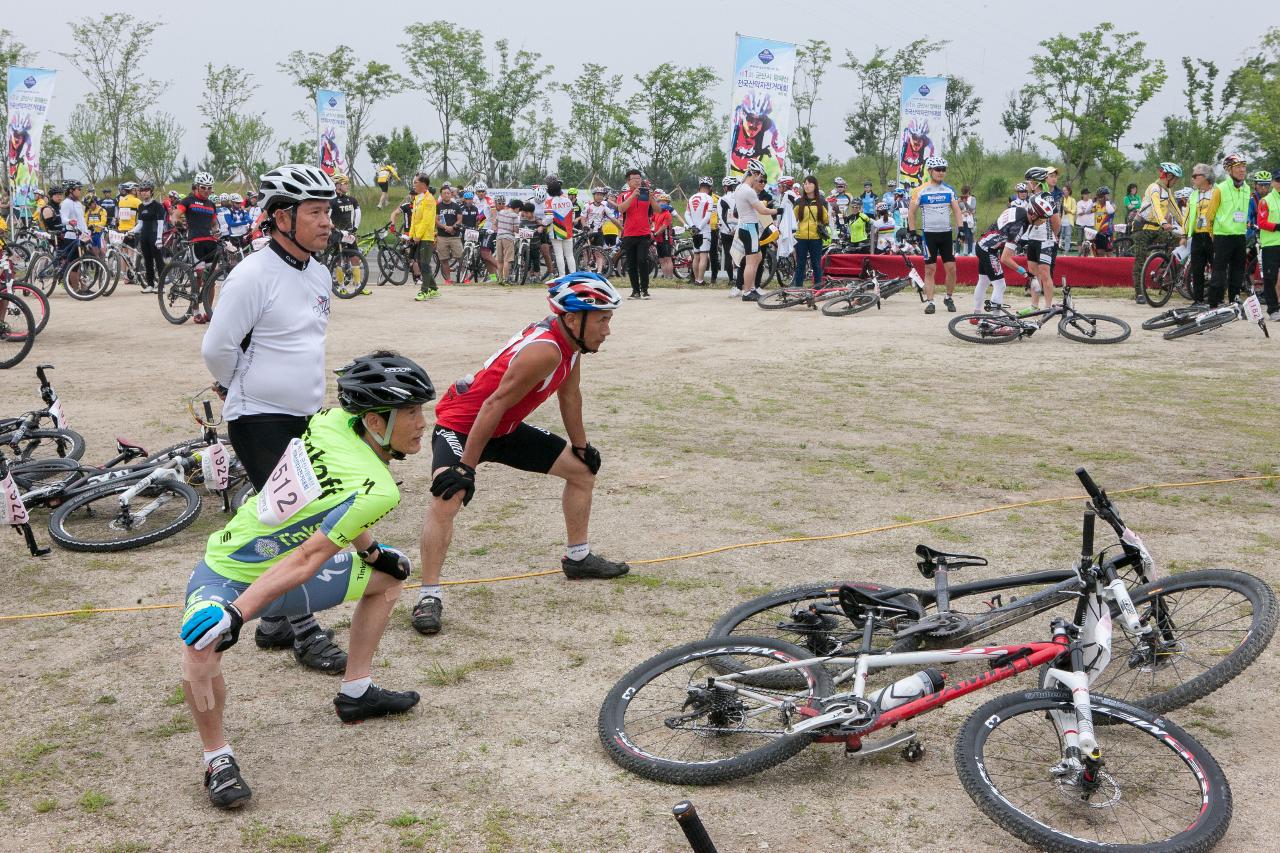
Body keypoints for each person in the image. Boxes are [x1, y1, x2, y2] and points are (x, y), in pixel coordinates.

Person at [178, 351, 435, 809]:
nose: (422, 423)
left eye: (422, 410)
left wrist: (374, 554)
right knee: (200, 644)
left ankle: (356, 692)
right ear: (375, 421)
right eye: (411, 412)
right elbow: (308, 556)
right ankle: (218, 759)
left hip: (287, 577)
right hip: (230, 572)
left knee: (389, 578)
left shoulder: (334, 422)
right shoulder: (374, 480)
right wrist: (235, 612)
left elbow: (339, 506)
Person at [411, 273, 630, 635]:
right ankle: (428, 596)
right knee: (449, 496)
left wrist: (580, 446)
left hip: (502, 426)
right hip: (463, 426)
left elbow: (569, 395)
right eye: (603, 319)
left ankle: (578, 559)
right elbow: (493, 402)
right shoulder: (546, 350)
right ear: (574, 319)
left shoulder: (570, 344)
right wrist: (466, 467)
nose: (607, 329)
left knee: (581, 472)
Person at [201, 162, 350, 675]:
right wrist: (233, 383)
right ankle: (307, 631)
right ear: (281, 217)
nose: (326, 221)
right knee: (299, 520)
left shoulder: (319, 272)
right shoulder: (251, 275)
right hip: (259, 417)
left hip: (306, 416)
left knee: (292, 512)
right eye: (315, 212)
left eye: (328, 211)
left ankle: (273, 622)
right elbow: (217, 346)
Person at [972, 195, 1055, 314]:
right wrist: (1026, 275)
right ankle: (995, 322)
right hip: (988, 249)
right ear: (1033, 215)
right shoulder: (1020, 227)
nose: (1043, 223)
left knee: (983, 281)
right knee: (1000, 285)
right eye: (1042, 219)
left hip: (983, 243)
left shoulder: (1019, 210)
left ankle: (976, 315)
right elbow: (1005, 258)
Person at [907, 156, 963, 314]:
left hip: (946, 234)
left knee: (951, 269)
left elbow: (957, 210)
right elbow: (911, 213)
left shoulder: (948, 189)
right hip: (929, 235)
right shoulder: (920, 190)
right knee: (930, 269)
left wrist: (961, 228)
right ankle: (930, 302)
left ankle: (949, 297)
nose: (941, 172)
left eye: (944, 169)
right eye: (938, 169)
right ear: (930, 171)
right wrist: (912, 231)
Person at [1131, 163, 1183, 304]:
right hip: (1142, 228)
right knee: (1140, 258)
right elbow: (1155, 207)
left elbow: (1176, 211)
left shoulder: (1168, 191)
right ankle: (1139, 293)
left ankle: (1167, 275)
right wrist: (1163, 222)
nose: (1176, 182)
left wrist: (1186, 226)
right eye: (1175, 179)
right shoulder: (1154, 188)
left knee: (1179, 242)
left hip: (1156, 228)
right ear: (1169, 176)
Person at [172, 172, 221, 323]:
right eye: (203, 187)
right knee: (198, 277)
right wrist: (177, 222)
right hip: (195, 242)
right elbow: (175, 215)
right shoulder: (188, 201)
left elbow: (214, 224)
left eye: (209, 188)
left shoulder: (211, 204)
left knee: (211, 279)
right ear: (197, 187)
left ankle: (208, 310)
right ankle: (195, 311)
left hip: (210, 242)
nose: (207, 190)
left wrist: (217, 230)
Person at [1205, 154, 1251, 307]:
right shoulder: (1220, 189)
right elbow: (1210, 213)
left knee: (1238, 271)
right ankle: (1214, 302)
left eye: (1243, 166)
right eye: (1238, 167)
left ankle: (1234, 300)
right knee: (1219, 271)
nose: (1242, 170)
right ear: (1229, 170)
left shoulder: (1247, 188)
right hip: (1223, 236)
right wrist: (1211, 233)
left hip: (1239, 235)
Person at [732, 159, 776, 302]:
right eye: (759, 176)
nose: (760, 179)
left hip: (746, 226)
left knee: (757, 257)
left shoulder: (739, 188)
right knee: (751, 261)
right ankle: (747, 291)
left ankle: (751, 288)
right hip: (749, 227)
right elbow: (762, 210)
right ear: (754, 173)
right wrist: (779, 210)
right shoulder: (748, 190)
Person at [616, 169, 654, 299]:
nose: (638, 181)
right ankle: (635, 291)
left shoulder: (646, 194)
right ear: (628, 181)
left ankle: (645, 289)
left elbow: (656, 210)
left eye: (639, 178)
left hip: (644, 233)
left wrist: (652, 198)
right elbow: (621, 208)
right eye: (634, 179)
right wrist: (633, 196)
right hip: (629, 234)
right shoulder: (623, 195)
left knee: (642, 260)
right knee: (631, 263)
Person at [1183, 165, 1216, 305]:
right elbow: (1188, 215)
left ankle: (1216, 299)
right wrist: (1184, 235)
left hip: (1213, 236)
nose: (1193, 178)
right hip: (1197, 235)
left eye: (1195, 176)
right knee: (1197, 269)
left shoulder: (1217, 192)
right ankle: (1198, 300)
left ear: (1206, 177)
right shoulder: (1193, 194)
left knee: (1217, 268)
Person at [328, 175, 366, 293]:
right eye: (345, 183)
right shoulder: (331, 201)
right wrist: (332, 227)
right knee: (339, 260)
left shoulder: (351, 199)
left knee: (355, 258)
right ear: (338, 185)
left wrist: (355, 228)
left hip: (349, 233)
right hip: (337, 233)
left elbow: (358, 213)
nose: (347, 185)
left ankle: (358, 286)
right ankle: (341, 286)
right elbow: (326, 216)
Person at [792, 175, 829, 287]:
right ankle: (798, 287)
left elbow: (825, 220)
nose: (807, 186)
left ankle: (818, 288)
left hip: (816, 238)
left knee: (816, 264)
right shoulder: (799, 202)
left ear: (815, 186)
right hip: (801, 238)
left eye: (810, 183)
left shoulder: (821, 202)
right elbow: (793, 220)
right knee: (800, 265)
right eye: (805, 183)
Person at [409, 174, 440, 300]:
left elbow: (427, 221)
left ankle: (425, 290)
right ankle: (433, 288)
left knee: (425, 264)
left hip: (426, 237)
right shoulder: (417, 198)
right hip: (417, 235)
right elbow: (415, 219)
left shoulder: (429, 199)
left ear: (423, 184)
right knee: (421, 263)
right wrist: (411, 235)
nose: (414, 185)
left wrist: (418, 235)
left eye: (416, 182)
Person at [133, 182, 167, 292]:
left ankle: (161, 286)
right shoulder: (141, 206)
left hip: (155, 236)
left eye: (146, 190)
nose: (144, 193)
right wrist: (130, 231)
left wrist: (159, 238)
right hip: (144, 236)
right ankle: (150, 284)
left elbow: (161, 223)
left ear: (151, 191)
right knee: (147, 261)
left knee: (158, 261)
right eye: (142, 191)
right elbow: (140, 224)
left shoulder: (158, 206)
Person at [542, 175, 576, 277]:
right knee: (570, 255)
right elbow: (573, 216)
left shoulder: (549, 202)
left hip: (556, 232)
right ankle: (573, 276)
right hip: (568, 230)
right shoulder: (568, 200)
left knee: (559, 255)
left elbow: (549, 218)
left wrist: (542, 223)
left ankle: (562, 276)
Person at [1257, 170, 1280, 320]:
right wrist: (1278, 227)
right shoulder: (1265, 201)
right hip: (1270, 245)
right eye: (1278, 180)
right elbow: (1261, 222)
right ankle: (1273, 310)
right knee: (1270, 277)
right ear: (1273, 182)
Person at [685, 177, 715, 286]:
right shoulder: (708, 198)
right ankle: (700, 280)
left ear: (699, 186)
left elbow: (686, 214)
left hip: (694, 231)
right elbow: (707, 216)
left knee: (696, 255)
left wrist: (693, 226)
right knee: (703, 256)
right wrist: (700, 227)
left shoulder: (691, 197)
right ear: (710, 187)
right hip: (704, 231)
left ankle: (696, 279)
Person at [718, 176, 738, 286]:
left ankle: (731, 279)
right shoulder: (740, 197)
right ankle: (741, 279)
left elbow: (721, 216)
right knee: (741, 255)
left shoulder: (722, 199)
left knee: (728, 255)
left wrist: (729, 229)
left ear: (725, 187)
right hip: (739, 230)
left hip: (727, 231)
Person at [651, 191, 674, 279]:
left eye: (664, 202)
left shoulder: (667, 214)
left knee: (667, 259)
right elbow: (652, 220)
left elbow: (664, 227)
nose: (661, 203)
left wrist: (655, 233)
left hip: (665, 238)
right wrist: (652, 228)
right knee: (661, 259)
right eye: (660, 201)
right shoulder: (656, 212)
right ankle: (665, 276)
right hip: (658, 239)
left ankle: (670, 277)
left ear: (668, 203)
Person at [1092, 188, 1116, 257]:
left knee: (1109, 254)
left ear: (1106, 196)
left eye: (1102, 197)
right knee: (1099, 253)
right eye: (1098, 197)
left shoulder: (1111, 205)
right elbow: (1087, 211)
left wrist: (1107, 200)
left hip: (1108, 233)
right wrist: (1092, 201)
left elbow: (1110, 211)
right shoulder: (1097, 206)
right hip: (1099, 233)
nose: (1099, 199)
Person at [958, 185, 977, 256]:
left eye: (966, 193)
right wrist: (958, 202)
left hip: (971, 219)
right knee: (963, 236)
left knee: (971, 235)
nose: (965, 194)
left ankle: (973, 252)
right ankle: (965, 252)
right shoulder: (960, 199)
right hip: (962, 219)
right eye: (963, 193)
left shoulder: (973, 198)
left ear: (969, 191)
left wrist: (965, 203)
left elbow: (972, 208)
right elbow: (959, 209)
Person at [1075, 189, 1094, 256]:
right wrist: (1087, 211)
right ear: (1082, 195)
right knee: (1080, 239)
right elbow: (1079, 213)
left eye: (1088, 194)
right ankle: (1079, 253)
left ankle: (1088, 254)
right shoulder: (1079, 203)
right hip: (1080, 223)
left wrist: (1085, 211)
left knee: (1089, 240)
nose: (1087, 195)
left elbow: (1093, 210)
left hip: (1090, 223)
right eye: (1086, 194)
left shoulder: (1091, 201)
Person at [1060, 184, 1075, 255]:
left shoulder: (1072, 200)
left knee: (1067, 237)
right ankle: (1058, 250)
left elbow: (1074, 211)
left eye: (1065, 190)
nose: (1063, 191)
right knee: (1059, 236)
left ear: (1069, 191)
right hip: (1061, 220)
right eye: (1063, 190)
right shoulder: (1060, 199)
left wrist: (1067, 210)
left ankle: (1066, 252)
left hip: (1069, 221)